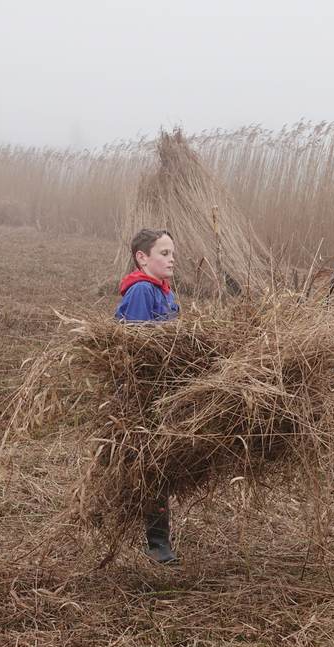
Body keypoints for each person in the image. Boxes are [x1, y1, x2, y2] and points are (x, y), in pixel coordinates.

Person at [116, 228, 180, 563]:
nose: (172, 259)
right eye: (164, 253)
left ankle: (158, 539)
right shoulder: (142, 290)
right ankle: (158, 545)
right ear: (143, 257)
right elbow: (138, 348)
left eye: (172, 253)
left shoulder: (165, 292)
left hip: (164, 390)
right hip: (145, 395)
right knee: (154, 464)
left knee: (160, 464)